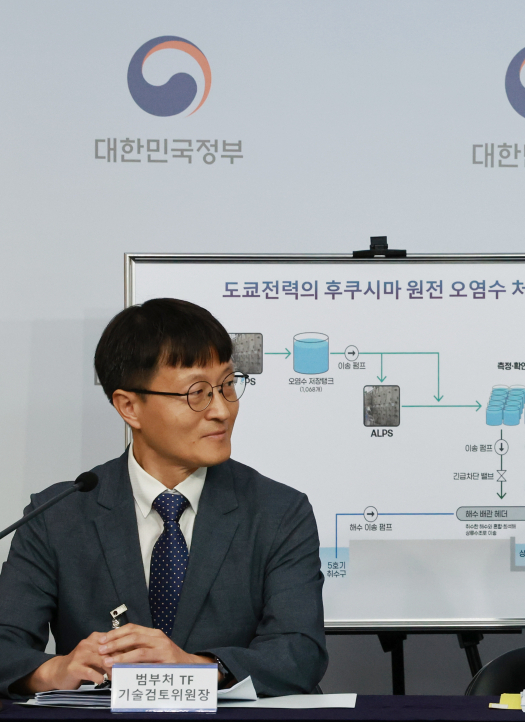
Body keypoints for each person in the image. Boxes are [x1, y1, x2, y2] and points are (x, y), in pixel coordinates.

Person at [0, 299, 327, 698]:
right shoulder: (58, 515)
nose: (222, 410)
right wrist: (54, 671)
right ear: (129, 406)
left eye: (227, 385)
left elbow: (300, 654)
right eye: (197, 393)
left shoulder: (278, 511)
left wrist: (197, 668)